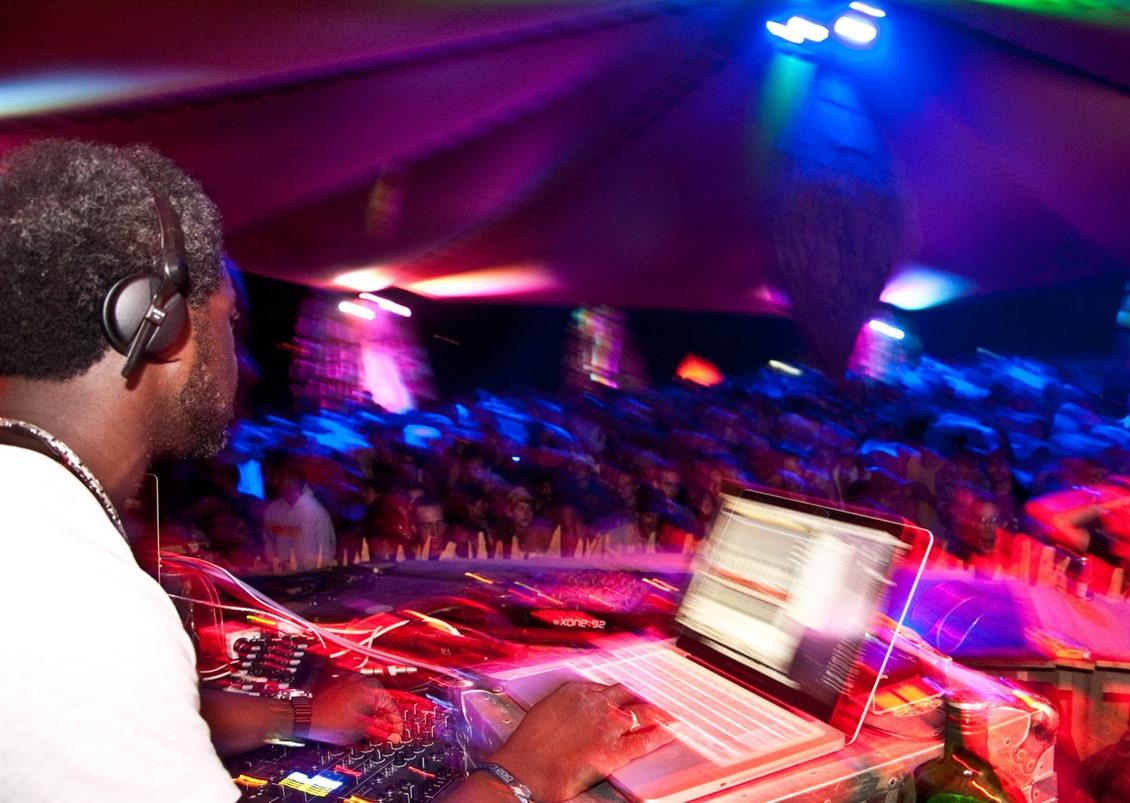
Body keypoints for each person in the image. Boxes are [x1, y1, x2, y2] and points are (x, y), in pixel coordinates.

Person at [0, 139, 673, 803]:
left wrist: (297, 714)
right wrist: (525, 772)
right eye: (232, 319)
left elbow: (138, 718)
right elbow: (96, 678)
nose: (247, 364)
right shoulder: (76, 601)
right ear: (157, 322)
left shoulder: (37, 531)